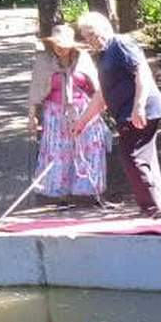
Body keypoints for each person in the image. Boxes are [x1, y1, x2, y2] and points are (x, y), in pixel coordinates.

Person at [73, 10, 161, 218]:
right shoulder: (103, 55)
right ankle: (155, 206)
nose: (90, 40)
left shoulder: (121, 43)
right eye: (86, 37)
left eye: (92, 34)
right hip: (126, 111)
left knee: (132, 156)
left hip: (139, 109)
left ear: (105, 28)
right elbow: (102, 95)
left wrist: (139, 106)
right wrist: (82, 122)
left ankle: (152, 207)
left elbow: (142, 72)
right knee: (142, 156)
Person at [28, 22, 109, 203]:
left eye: (64, 45)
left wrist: (101, 107)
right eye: (56, 44)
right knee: (58, 151)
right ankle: (61, 195)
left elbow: (96, 87)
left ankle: (91, 191)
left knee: (88, 148)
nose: (60, 48)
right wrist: (32, 117)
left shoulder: (83, 58)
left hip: (83, 110)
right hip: (55, 112)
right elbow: (35, 89)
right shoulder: (44, 61)